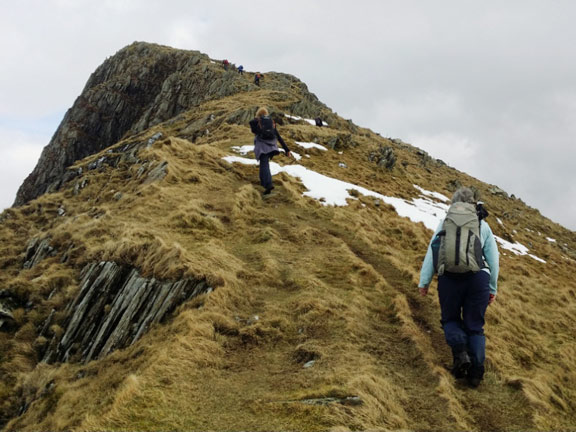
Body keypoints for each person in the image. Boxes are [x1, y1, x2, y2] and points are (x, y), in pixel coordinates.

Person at [418, 187, 499, 388]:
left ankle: (461, 355)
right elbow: (493, 259)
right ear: (473, 203)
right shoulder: (482, 225)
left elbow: (433, 251)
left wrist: (424, 282)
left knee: (451, 319)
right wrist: (492, 287)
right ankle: (476, 373)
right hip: (478, 278)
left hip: (449, 278)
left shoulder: (446, 222)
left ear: (453, 203)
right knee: (475, 326)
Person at [249, 107, 293, 195]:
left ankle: (268, 184)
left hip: (262, 147)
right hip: (272, 147)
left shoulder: (256, 122)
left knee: (264, 165)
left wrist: (256, 120)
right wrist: (287, 150)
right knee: (263, 164)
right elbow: (278, 137)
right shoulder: (271, 123)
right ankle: (263, 183)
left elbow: (253, 128)